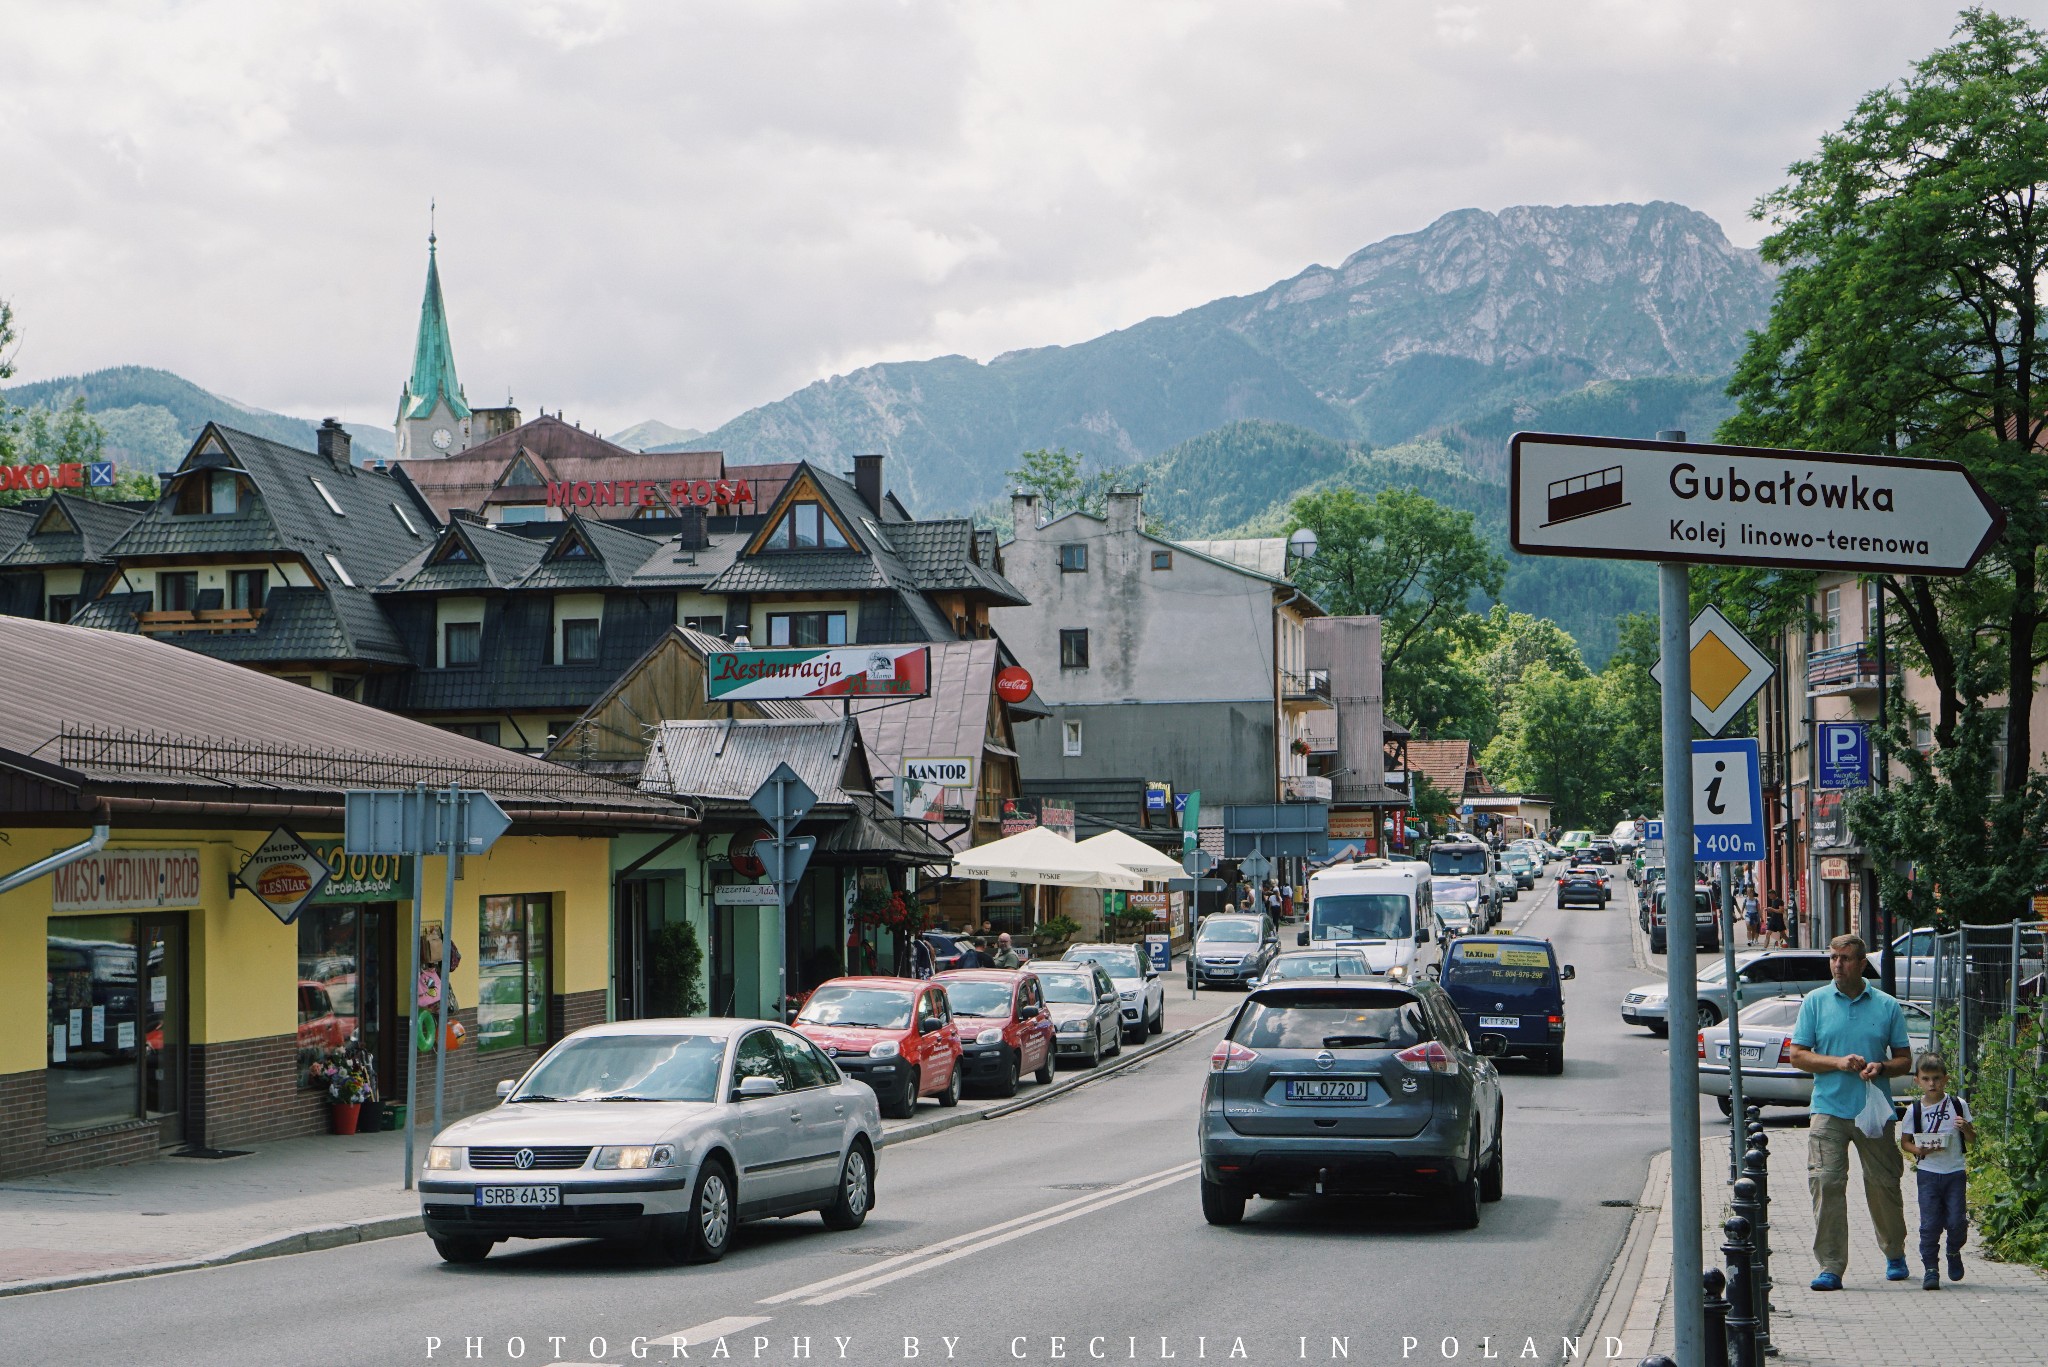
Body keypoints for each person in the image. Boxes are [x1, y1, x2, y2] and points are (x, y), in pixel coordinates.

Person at [1785, 934, 1913, 1290]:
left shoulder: (1886, 1006)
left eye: (1845, 959)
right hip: (1828, 1108)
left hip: (1874, 1111)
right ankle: (1831, 1265)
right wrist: (1837, 1063)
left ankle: (1894, 1252)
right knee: (1826, 1182)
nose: (1837, 965)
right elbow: (1798, 1055)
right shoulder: (1816, 1002)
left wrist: (1882, 1067)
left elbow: (1905, 1059)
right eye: (1833, 958)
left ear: (1861, 964)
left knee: (1884, 1184)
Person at [1899, 1053, 1976, 1290]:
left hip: (1954, 1172)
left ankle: (1953, 1250)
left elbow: (1973, 1139)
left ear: (1946, 1079)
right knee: (1929, 1223)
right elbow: (1905, 1142)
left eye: (1937, 1078)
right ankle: (1930, 1269)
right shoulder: (1915, 1111)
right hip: (1929, 1173)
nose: (1932, 1084)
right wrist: (1918, 1149)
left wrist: (1966, 1129)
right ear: (1917, 1081)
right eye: (1926, 1079)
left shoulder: (1957, 1105)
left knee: (1957, 1221)